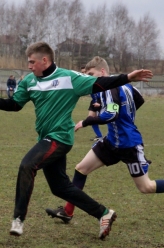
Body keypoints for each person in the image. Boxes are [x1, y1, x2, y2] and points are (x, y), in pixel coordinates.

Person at [0, 42, 152, 239]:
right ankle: (103, 213)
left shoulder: (69, 78)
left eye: (32, 62)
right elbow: (15, 104)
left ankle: (18, 219)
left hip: (60, 137)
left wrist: (128, 78)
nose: (29, 66)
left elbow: (100, 83)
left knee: (27, 165)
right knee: (60, 187)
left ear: (44, 60)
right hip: (45, 137)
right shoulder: (29, 81)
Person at [46, 56, 163, 228]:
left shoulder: (112, 88)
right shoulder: (114, 87)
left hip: (129, 144)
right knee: (81, 169)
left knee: (146, 187)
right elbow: (138, 99)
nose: (89, 78)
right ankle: (68, 211)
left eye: (91, 74)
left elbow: (111, 114)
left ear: (102, 72)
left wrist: (85, 122)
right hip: (111, 142)